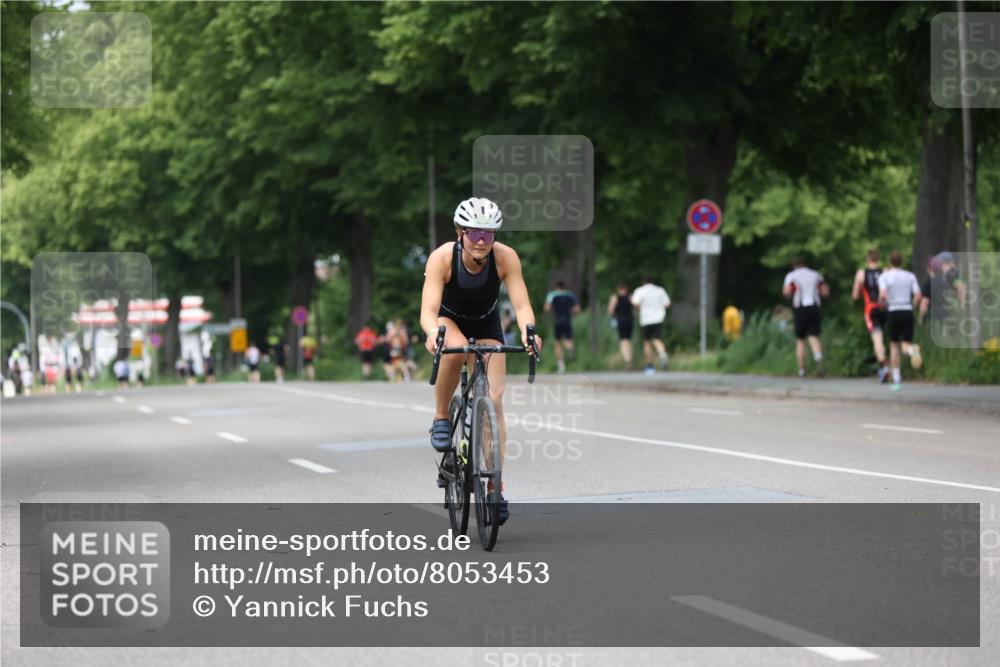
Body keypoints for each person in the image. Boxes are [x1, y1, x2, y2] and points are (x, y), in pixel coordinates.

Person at [420, 197, 541, 525]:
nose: (482, 241)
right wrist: (433, 333)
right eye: (474, 233)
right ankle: (442, 416)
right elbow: (428, 311)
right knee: (456, 349)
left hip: (487, 325)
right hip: (449, 322)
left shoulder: (505, 258)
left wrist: (530, 333)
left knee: (495, 401)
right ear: (460, 232)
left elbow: (521, 305)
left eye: (489, 234)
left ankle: (494, 485)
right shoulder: (443, 258)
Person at [878, 250, 923, 390]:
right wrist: (913, 306)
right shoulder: (910, 276)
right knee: (905, 344)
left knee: (894, 345)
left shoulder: (885, 276)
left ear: (890, 262)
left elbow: (883, 295)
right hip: (907, 310)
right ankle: (911, 351)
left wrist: (882, 305)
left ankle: (897, 377)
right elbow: (918, 295)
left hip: (894, 311)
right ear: (901, 262)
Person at [782, 258, 829, 377]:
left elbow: (787, 292)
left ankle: (802, 369)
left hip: (800, 308)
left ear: (795, 266)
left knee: (801, 339)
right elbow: (825, 292)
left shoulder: (792, 276)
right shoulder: (816, 274)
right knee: (814, 336)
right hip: (814, 307)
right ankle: (819, 359)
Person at [851, 249, 889, 383]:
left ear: (868, 259)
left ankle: (884, 368)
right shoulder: (885, 272)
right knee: (890, 339)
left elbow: (855, 295)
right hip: (886, 308)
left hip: (871, 308)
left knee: (877, 339)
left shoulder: (861, 274)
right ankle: (896, 369)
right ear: (878, 259)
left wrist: (862, 291)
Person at [630, 276, 671, 374]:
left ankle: (650, 366)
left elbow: (635, 303)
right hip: (658, 318)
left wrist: (641, 307)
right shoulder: (660, 290)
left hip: (646, 319)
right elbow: (668, 304)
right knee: (657, 339)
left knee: (647, 342)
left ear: (643, 282)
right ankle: (662, 354)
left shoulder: (640, 291)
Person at [544, 281, 580, 374]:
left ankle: (561, 365)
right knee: (568, 340)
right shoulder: (570, 295)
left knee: (557, 343)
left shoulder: (552, 295)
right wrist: (571, 312)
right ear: (564, 287)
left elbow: (546, 308)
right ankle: (570, 348)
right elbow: (577, 309)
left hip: (558, 321)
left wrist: (552, 309)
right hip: (567, 320)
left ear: (556, 287)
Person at [607, 283, 635, 370]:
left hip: (620, 320)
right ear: (626, 289)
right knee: (629, 340)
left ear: (619, 289)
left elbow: (610, 311)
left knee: (623, 341)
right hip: (630, 320)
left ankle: (627, 359)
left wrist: (615, 315)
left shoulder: (615, 298)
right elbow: (635, 307)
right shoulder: (630, 297)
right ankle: (630, 358)